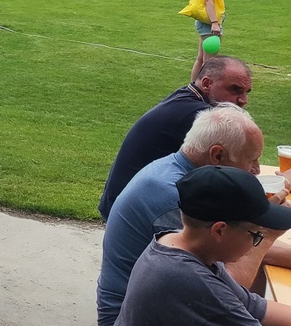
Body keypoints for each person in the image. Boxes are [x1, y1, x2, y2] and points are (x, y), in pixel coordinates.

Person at [103, 165, 291, 326]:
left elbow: (250, 305)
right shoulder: (186, 282)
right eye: (256, 236)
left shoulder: (178, 244)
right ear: (219, 230)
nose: (256, 244)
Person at [95, 104, 291, 326]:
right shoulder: (176, 198)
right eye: (252, 160)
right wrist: (265, 235)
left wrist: (261, 235)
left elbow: (241, 250)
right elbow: (221, 291)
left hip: (166, 309)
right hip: (131, 325)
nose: (257, 171)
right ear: (217, 155)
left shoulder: (184, 176)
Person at [98, 56, 253, 219]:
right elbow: (235, 168)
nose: (243, 100)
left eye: (246, 92)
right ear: (207, 84)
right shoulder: (198, 115)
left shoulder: (187, 96)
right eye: (235, 90)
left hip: (124, 203)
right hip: (133, 213)